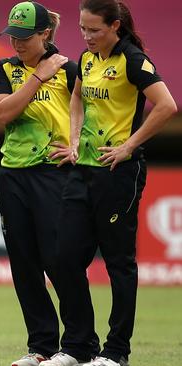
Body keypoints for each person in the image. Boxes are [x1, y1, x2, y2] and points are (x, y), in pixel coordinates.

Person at [50, 1, 178, 366]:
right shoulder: (88, 60)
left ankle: (116, 352)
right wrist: (74, 141)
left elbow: (166, 105)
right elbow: (76, 97)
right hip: (83, 170)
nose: (87, 37)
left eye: (94, 30)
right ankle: (77, 347)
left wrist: (129, 145)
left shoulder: (133, 60)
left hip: (118, 173)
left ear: (115, 26)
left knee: (119, 264)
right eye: (82, 29)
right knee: (63, 259)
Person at [0, 2, 82, 366]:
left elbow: (91, 114)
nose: (16, 44)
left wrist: (77, 145)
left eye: (24, 37)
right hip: (13, 174)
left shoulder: (70, 68)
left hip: (54, 173)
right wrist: (37, 76)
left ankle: (78, 346)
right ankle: (42, 347)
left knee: (60, 261)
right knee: (24, 265)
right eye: (12, 36)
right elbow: (2, 111)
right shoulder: (6, 68)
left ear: (45, 34)